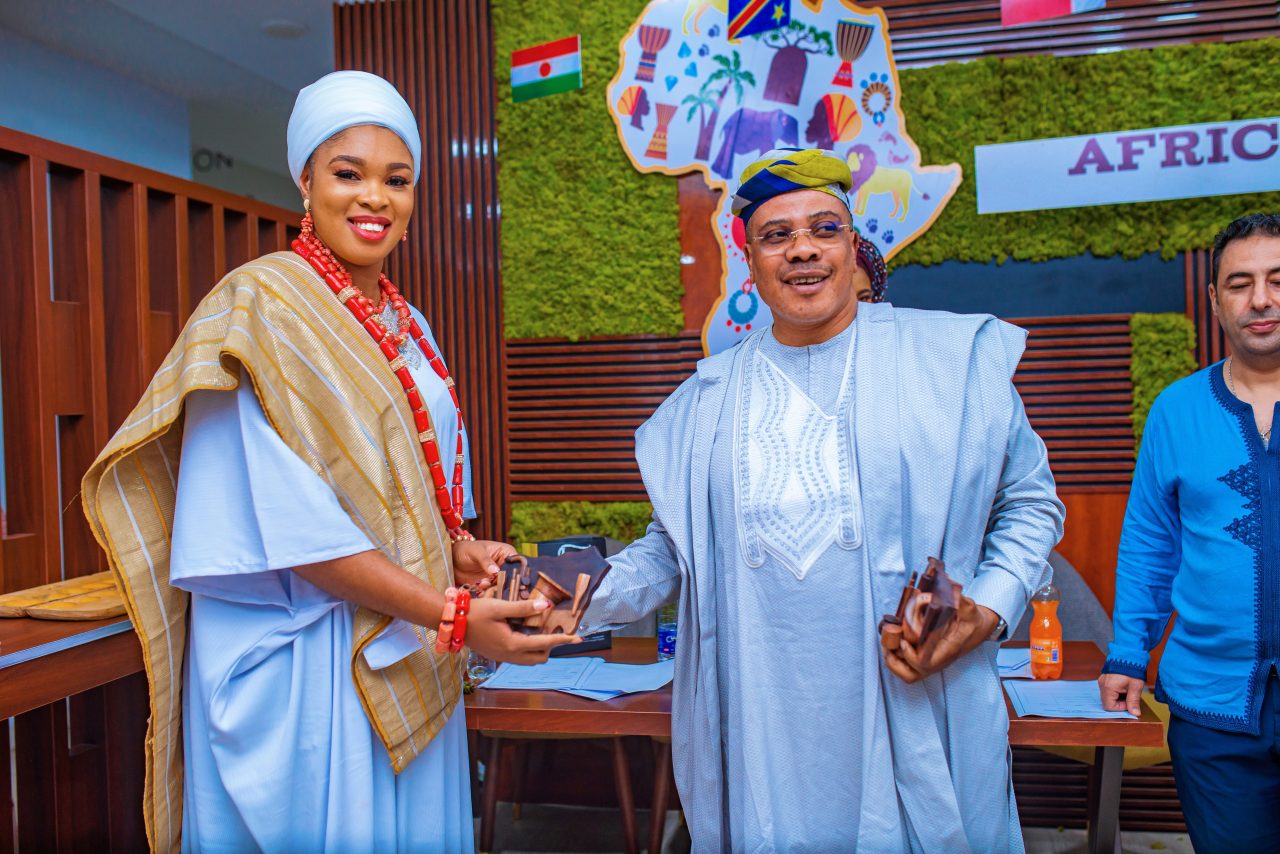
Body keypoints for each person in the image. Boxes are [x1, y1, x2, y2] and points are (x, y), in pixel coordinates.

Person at [81, 71, 570, 852]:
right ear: (305, 181)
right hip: (311, 660)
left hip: (409, 638)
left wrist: (459, 552)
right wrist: (450, 615)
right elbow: (294, 529)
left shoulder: (410, 326)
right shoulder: (258, 310)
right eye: (349, 174)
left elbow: (413, 489)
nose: (374, 197)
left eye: (396, 180)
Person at [584, 148, 1065, 852]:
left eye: (824, 228)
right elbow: (668, 551)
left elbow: (1030, 503)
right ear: (748, 262)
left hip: (918, 701)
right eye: (777, 235)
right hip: (765, 732)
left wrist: (986, 609)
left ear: (851, 245)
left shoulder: (951, 359)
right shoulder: (702, 405)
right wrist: (569, 598)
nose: (803, 248)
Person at [1099, 213, 1280, 851]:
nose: (1261, 299)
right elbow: (1150, 541)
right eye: (1240, 283)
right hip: (1213, 710)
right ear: (1215, 299)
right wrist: (1128, 652)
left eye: (1277, 279)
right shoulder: (1176, 409)